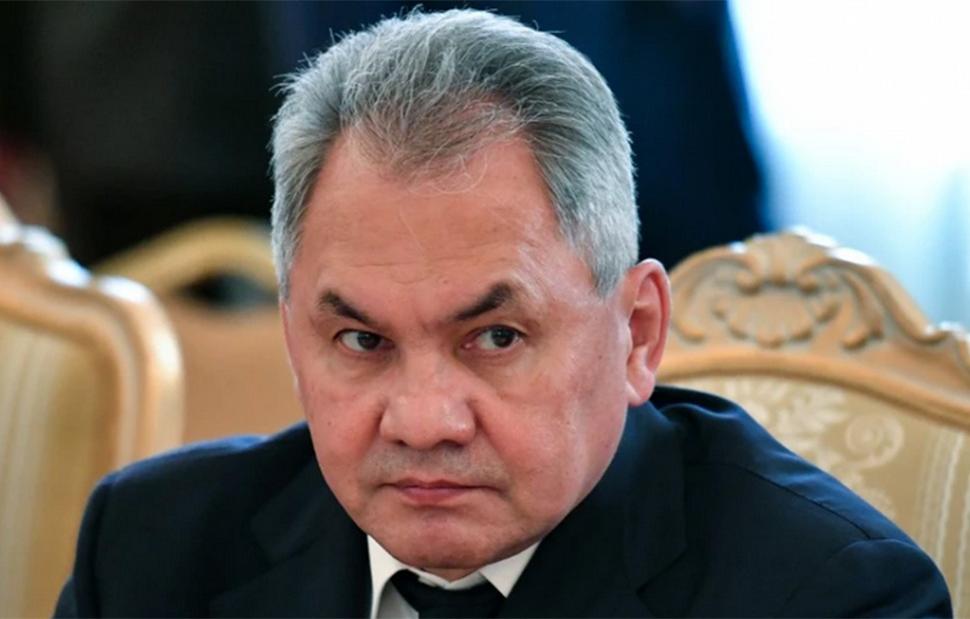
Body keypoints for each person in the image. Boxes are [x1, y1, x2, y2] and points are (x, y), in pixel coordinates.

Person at [55, 9, 950, 618]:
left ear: (637, 333)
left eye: (495, 337)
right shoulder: (149, 548)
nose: (423, 421)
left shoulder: (832, 595)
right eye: (362, 339)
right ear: (294, 338)